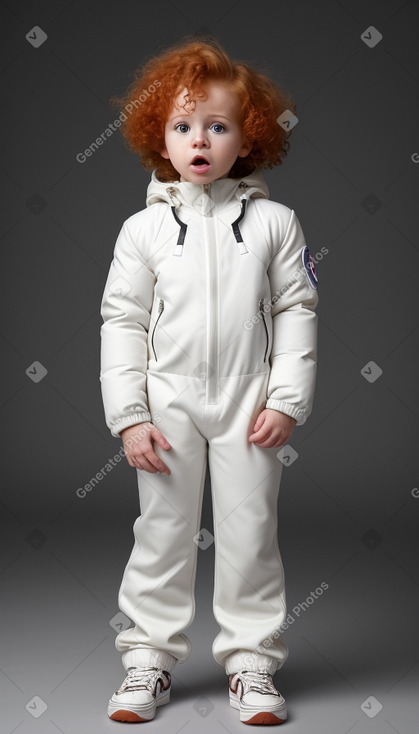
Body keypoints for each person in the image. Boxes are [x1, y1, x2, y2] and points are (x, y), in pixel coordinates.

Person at [100, 35, 319, 726]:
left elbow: (295, 309)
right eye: (183, 126)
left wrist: (285, 401)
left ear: (246, 138)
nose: (200, 140)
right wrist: (129, 415)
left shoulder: (275, 223)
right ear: (158, 138)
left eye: (218, 126)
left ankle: (252, 665)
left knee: (249, 530)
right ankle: (148, 660)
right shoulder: (141, 231)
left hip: (248, 400)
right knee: (161, 530)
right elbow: (122, 321)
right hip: (167, 401)